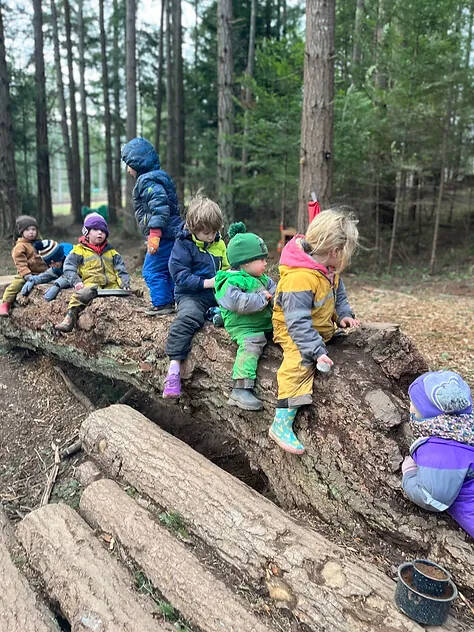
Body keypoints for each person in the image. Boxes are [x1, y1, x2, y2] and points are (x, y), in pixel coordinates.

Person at [270, 208, 360, 455]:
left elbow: (338, 294)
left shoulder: (328, 270)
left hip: (317, 326)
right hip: (292, 328)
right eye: (347, 252)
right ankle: (281, 422)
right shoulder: (299, 278)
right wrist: (315, 350)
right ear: (335, 251)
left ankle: (319, 343)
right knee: (299, 361)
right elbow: (297, 323)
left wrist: (343, 314)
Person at [163, 194, 229, 398]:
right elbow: (180, 275)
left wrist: (229, 277)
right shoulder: (183, 245)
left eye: (215, 231)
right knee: (188, 317)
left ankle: (217, 315)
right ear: (193, 228)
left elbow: (226, 266)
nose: (211, 236)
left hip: (216, 292)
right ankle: (173, 370)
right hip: (191, 294)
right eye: (207, 233)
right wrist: (206, 283)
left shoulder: (219, 243)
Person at [401, 370, 474, 538]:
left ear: (426, 411)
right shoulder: (465, 429)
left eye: (413, 403)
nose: (409, 406)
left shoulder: (441, 451)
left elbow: (432, 497)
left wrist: (410, 474)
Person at [215, 222, 275, 411]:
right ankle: (240, 388)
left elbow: (275, 292)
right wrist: (261, 299)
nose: (266, 263)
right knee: (251, 345)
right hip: (244, 326)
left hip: (264, 322)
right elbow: (237, 303)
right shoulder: (230, 281)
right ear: (246, 262)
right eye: (261, 259)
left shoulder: (263, 278)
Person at [121, 136, 181, 316]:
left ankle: (162, 303)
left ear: (138, 163)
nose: (128, 169)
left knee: (151, 270)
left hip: (163, 234)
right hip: (171, 232)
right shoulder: (158, 176)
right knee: (168, 268)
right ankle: (173, 300)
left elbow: (159, 205)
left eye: (129, 164)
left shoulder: (147, 181)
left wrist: (154, 234)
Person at [55, 213, 131, 333]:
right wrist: (76, 282)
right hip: (91, 285)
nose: (100, 233)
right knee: (81, 295)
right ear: (87, 232)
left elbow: (120, 270)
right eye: (95, 229)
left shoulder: (112, 252)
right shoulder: (79, 250)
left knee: (128, 294)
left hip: (112, 286)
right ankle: (69, 318)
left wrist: (124, 283)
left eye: (103, 231)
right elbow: (69, 268)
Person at [0, 215, 47, 317]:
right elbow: (20, 262)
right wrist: (26, 274)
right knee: (16, 285)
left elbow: (46, 256)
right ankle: (5, 304)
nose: (31, 232)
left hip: (42, 272)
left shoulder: (40, 243)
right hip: (26, 274)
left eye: (33, 229)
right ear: (22, 232)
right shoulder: (20, 246)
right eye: (27, 230)